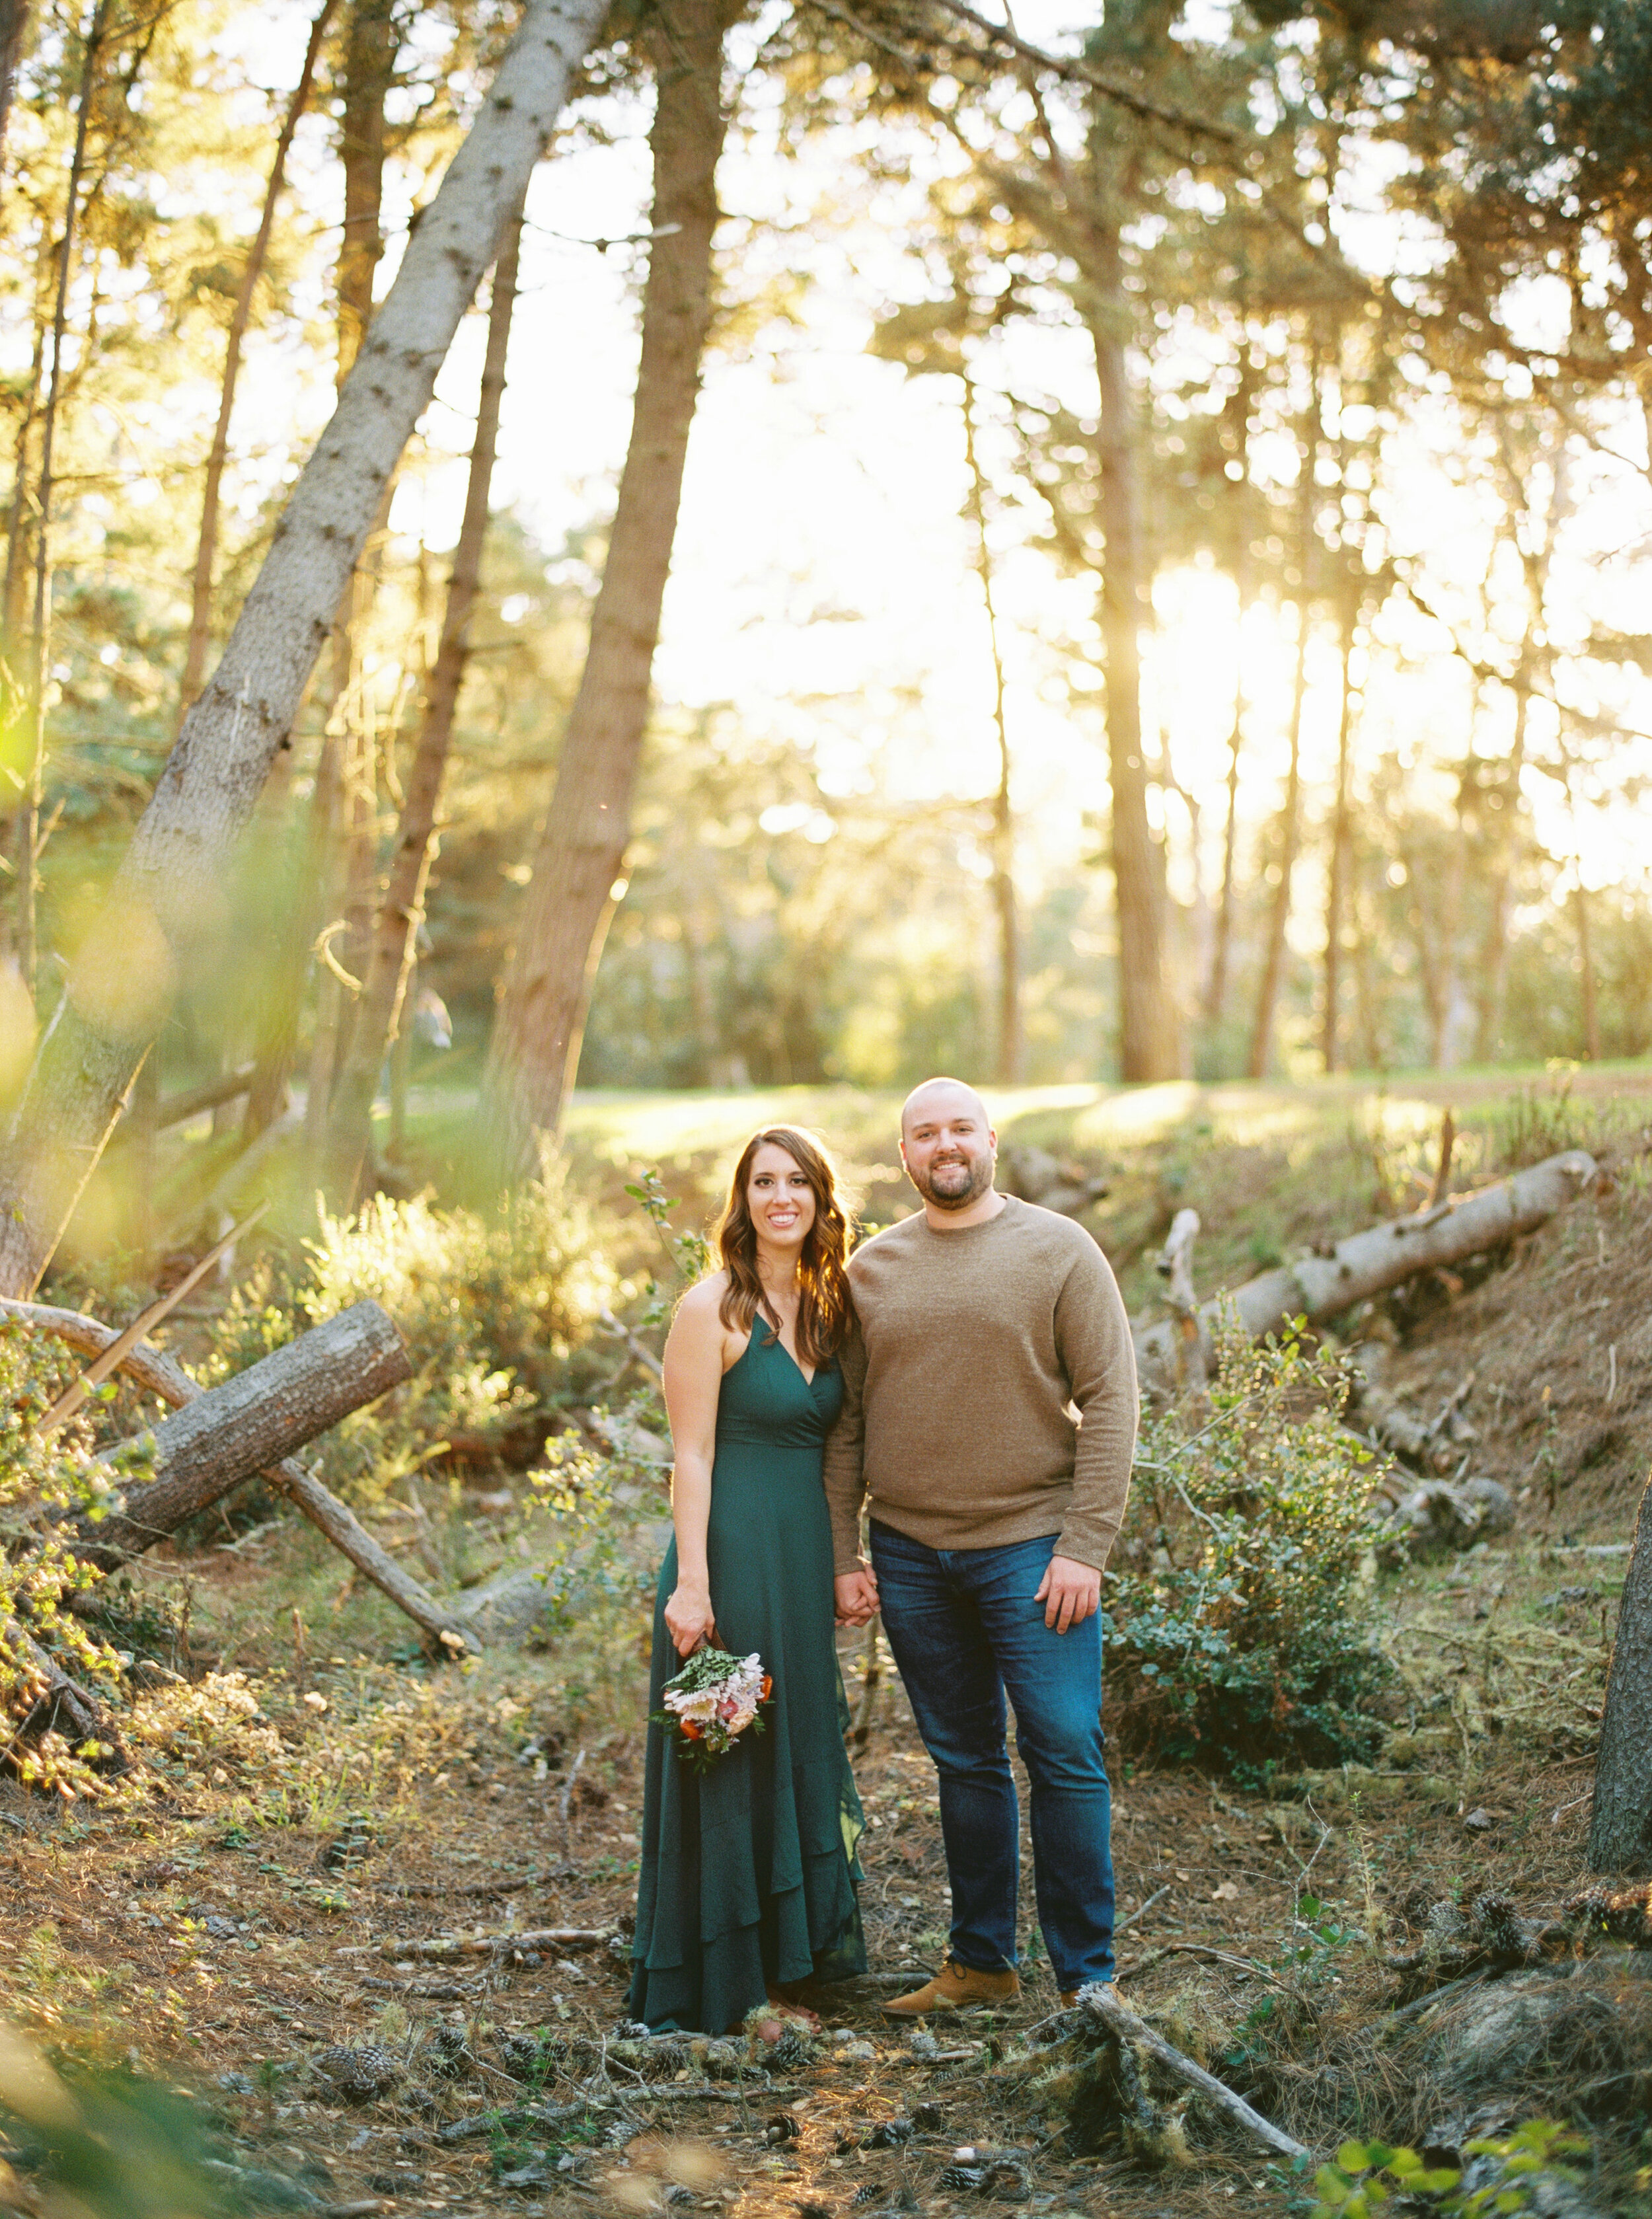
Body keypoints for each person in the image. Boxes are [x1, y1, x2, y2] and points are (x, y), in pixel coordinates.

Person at [825, 1077, 1137, 2015]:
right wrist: (845, 1548)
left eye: (961, 1127)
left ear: (990, 1138)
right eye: (925, 1132)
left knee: (1065, 1749)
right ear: (906, 1153)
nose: (945, 1145)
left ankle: (1088, 1979)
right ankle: (982, 1962)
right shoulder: (870, 1271)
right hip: (912, 1552)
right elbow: (843, 1426)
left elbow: (1115, 1400)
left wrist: (1086, 1545)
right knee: (964, 1760)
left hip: (1035, 1551)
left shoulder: (1058, 1249)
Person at [628, 1127, 868, 2033]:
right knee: (725, 1748)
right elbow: (690, 1454)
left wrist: (847, 1560)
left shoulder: (829, 1304)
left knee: (792, 1740)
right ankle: (728, 1988)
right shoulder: (712, 1308)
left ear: (819, 1198)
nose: (781, 1196)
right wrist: (691, 1586)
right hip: (725, 1560)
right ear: (743, 1198)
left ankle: (786, 1958)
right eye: (764, 1180)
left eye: (798, 1180)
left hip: (801, 1566)